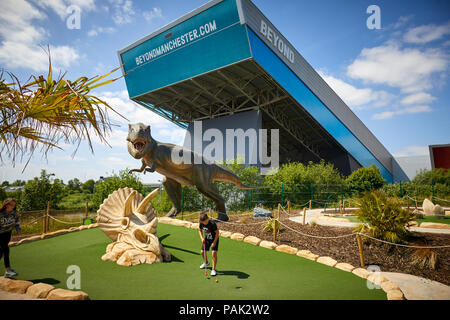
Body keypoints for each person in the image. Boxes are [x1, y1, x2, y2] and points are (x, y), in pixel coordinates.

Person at [0, 198, 21, 278]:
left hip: (8, 233)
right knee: (6, 250)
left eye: (14, 205)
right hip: (0, 234)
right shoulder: (1, 213)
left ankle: (7, 271)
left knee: (1, 252)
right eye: (11, 204)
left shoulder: (14, 213)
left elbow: (17, 221)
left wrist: (18, 229)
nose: (12, 206)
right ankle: (8, 270)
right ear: (6, 204)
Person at [198, 212, 219, 276]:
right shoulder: (201, 223)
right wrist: (201, 238)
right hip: (207, 239)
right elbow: (199, 230)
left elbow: (217, 233)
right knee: (202, 252)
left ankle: (213, 269)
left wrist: (214, 242)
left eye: (205, 222)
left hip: (214, 239)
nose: (204, 223)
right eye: (203, 222)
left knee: (213, 253)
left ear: (207, 219)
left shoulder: (212, 223)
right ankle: (206, 262)